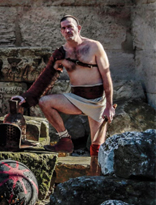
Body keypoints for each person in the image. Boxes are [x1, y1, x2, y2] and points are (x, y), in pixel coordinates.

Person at [11, 15, 115, 157]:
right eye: (64, 28)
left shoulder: (94, 47)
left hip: (97, 101)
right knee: (44, 102)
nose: (67, 30)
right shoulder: (61, 53)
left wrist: (109, 106)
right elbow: (46, 78)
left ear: (78, 28)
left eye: (70, 27)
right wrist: (26, 97)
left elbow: (107, 77)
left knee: (96, 150)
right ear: (61, 32)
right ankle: (65, 140)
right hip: (76, 99)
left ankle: (97, 176)